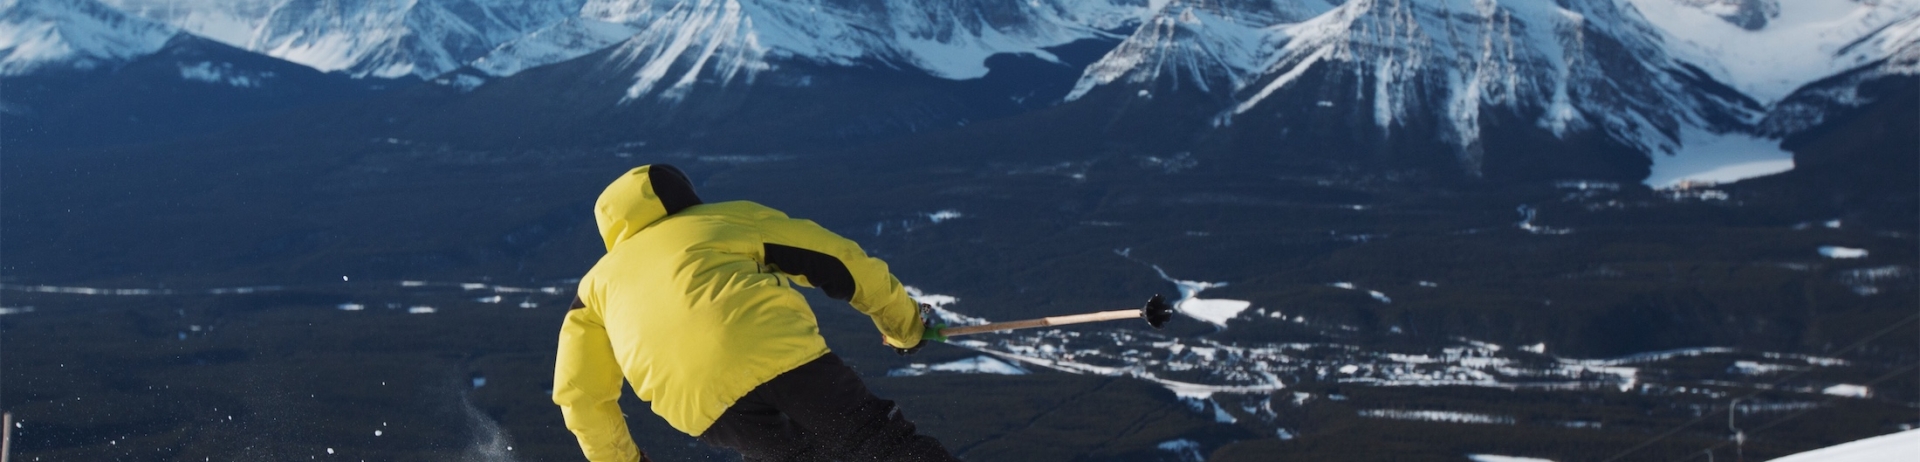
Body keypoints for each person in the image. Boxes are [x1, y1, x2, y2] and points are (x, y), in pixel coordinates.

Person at [553, 164, 959, 462]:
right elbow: (840, 261)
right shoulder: (722, 220)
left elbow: (580, 395)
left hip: (699, 404)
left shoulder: (591, 292)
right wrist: (905, 325)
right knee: (877, 442)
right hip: (777, 355)